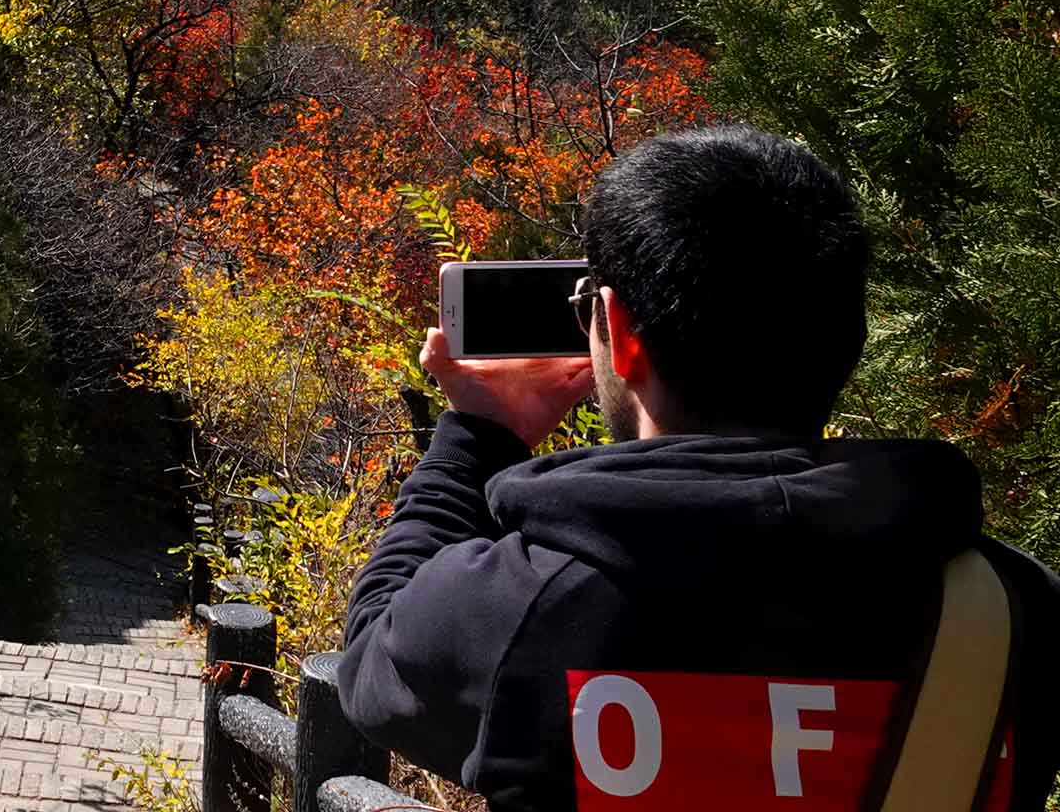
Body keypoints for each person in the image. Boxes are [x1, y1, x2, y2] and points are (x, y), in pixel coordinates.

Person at [337, 125, 1060, 810]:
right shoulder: (1012, 609)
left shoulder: (511, 607)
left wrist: (480, 434)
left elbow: (372, 661)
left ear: (617, 332)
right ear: (852, 334)